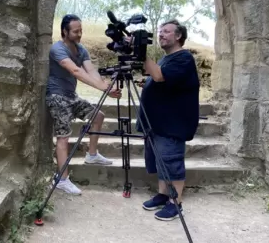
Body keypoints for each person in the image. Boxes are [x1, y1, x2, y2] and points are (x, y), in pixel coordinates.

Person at [46, 14, 122, 195]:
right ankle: (62, 179)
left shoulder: (81, 50)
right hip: (57, 96)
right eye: (75, 31)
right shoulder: (57, 49)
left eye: (81, 30)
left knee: (98, 116)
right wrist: (104, 89)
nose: (79, 34)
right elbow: (75, 71)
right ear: (65, 31)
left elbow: (90, 70)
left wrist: (106, 87)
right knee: (63, 137)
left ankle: (92, 154)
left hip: (71, 96)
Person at [136, 19, 200, 221]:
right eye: (160, 31)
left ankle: (176, 202)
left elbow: (159, 77)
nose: (161, 34)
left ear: (178, 36)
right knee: (160, 160)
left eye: (166, 31)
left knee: (171, 161)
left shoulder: (184, 58)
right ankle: (163, 194)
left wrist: (140, 51)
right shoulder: (166, 58)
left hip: (173, 123)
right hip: (157, 122)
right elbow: (158, 78)